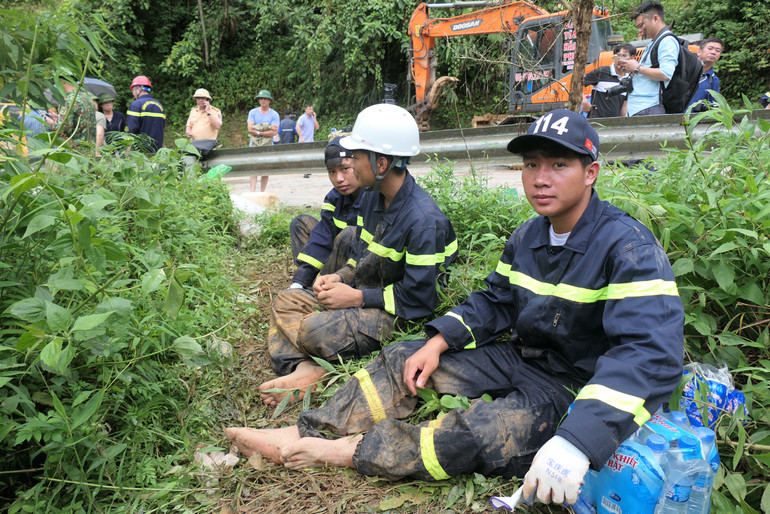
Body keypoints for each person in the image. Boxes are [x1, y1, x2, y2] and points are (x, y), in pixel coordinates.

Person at [226, 109, 685, 508]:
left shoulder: (629, 249)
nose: (541, 178)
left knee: (478, 432)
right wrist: (438, 341)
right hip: (520, 358)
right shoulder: (529, 235)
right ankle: (312, 431)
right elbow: (495, 301)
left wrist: (579, 440)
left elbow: (648, 356)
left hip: (573, 386)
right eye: (531, 164)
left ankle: (352, 452)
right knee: (405, 358)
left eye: (559, 164)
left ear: (591, 172)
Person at [258, 103, 457, 408]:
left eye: (356, 157)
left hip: (397, 312)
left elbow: (420, 300)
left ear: (381, 164)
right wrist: (338, 277)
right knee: (285, 300)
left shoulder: (423, 222)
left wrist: (355, 299)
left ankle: (311, 362)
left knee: (313, 329)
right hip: (366, 293)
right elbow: (359, 257)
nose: (350, 163)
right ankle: (304, 368)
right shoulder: (371, 200)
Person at [288, 136, 364, 290]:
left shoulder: (374, 197)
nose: (339, 179)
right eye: (332, 172)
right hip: (336, 262)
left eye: (345, 169)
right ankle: (307, 283)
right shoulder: (334, 198)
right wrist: (299, 281)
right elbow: (323, 237)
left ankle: (326, 288)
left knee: (350, 233)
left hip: (359, 269)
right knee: (300, 223)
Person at [617, 1, 679, 116]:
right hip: (640, 108)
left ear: (655, 18)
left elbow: (666, 74)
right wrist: (631, 68)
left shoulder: (667, 41)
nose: (639, 31)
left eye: (641, 25)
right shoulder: (654, 42)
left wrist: (637, 68)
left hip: (649, 108)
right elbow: (645, 72)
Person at [581, 44, 635, 118]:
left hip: (614, 124)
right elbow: (576, 83)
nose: (620, 59)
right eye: (618, 55)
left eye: (624, 56)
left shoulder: (629, 79)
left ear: (632, 58)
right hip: (596, 122)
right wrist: (584, 101)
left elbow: (624, 104)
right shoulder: (601, 72)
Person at [247, 89, 280, 191]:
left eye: (265, 99)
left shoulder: (274, 114)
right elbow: (250, 129)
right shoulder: (253, 112)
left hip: (268, 144)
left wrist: (258, 132)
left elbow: (274, 132)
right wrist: (268, 127)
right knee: (253, 168)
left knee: (265, 169)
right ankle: (252, 191)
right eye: (261, 98)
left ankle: (262, 191)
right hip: (254, 144)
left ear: (269, 100)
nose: (263, 101)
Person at [125, 75, 166, 153]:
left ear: (138, 89)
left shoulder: (135, 105)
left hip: (140, 152)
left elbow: (131, 130)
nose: (133, 93)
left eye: (133, 90)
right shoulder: (160, 106)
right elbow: (162, 128)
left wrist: (127, 150)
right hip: (157, 152)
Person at [55, 79, 96, 147]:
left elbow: (64, 129)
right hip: (89, 149)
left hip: (73, 150)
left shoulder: (68, 101)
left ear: (62, 81)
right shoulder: (87, 98)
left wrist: (53, 123)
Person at [686, 37, 723, 111]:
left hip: (696, 120)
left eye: (717, 50)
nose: (713, 52)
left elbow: (714, 105)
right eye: (710, 49)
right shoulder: (683, 71)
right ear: (699, 52)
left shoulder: (713, 80)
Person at [185, 88, 222, 157]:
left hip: (208, 146)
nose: (200, 100)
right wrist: (188, 132)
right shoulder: (193, 111)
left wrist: (208, 112)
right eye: (198, 98)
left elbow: (217, 126)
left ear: (207, 99)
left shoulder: (215, 111)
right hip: (194, 145)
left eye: (202, 98)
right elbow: (189, 126)